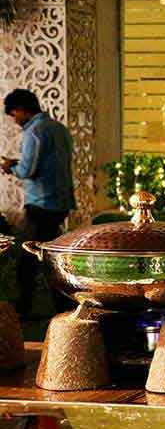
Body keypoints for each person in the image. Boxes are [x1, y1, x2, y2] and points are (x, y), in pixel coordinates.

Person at [1, 88, 76, 316]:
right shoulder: (59, 129)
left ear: (22, 109)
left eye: (14, 114)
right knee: (53, 254)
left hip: (41, 204)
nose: (15, 120)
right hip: (61, 202)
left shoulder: (34, 131)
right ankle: (64, 305)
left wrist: (10, 166)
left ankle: (25, 309)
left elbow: (27, 170)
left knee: (27, 256)